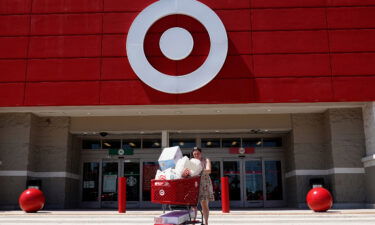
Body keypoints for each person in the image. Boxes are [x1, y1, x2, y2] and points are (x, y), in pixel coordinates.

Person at [190, 146, 214, 225]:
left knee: (204, 203)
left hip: (204, 183)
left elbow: (209, 170)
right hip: (194, 183)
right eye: (195, 154)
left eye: (198, 153)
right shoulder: (191, 161)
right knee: (193, 204)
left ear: (201, 153)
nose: (196, 155)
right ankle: (193, 221)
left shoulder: (205, 160)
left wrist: (199, 169)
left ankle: (206, 222)